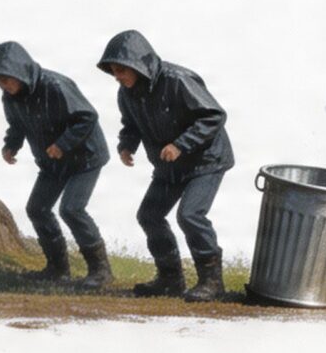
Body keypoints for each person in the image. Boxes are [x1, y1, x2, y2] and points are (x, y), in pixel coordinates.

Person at [98, 29, 234, 301]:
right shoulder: (126, 93)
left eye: (121, 70)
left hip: (206, 161)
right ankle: (170, 279)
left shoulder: (178, 80)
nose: (117, 76)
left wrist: (181, 144)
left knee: (190, 215)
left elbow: (214, 115)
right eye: (113, 71)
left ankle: (212, 283)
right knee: (149, 215)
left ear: (137, 65)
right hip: (169, 166)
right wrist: (127, 145)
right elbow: (131, 124)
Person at [0, 40, 112, 289]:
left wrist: (63, 144)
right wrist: (11, 145)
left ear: (21, 73)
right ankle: (57, 268)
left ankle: (100, 270)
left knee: (72, 209)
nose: (4, 85)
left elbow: (87, 117)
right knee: (37, 208)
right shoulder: (10, 97)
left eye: (7, 79)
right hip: (52, 162)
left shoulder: (55, 85)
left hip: (85, 158)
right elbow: (16, 125)